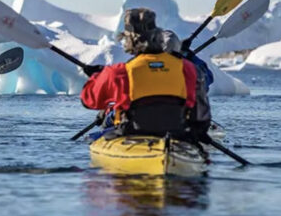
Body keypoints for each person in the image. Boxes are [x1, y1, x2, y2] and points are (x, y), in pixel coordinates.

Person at [80, 8, 202, 139]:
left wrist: (97, 78)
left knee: (91, 137)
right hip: (177, 132)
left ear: (129, 40)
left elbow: (89, 101)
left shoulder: (119, 72)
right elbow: (199, 106)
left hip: (132, 133)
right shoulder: (188, 68)